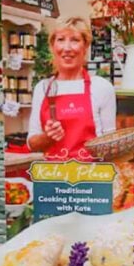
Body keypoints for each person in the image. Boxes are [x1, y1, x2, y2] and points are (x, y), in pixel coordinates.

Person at [27, 17, 116, 161]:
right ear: (52, 46)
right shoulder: (43, 88)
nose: (67, 48)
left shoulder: (101, 87)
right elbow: (32, 144)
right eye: (61, 39)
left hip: (91, 177)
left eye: (75, 40)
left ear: (85, 46)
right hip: (53, 177)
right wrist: (47, 137)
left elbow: (111, 146)